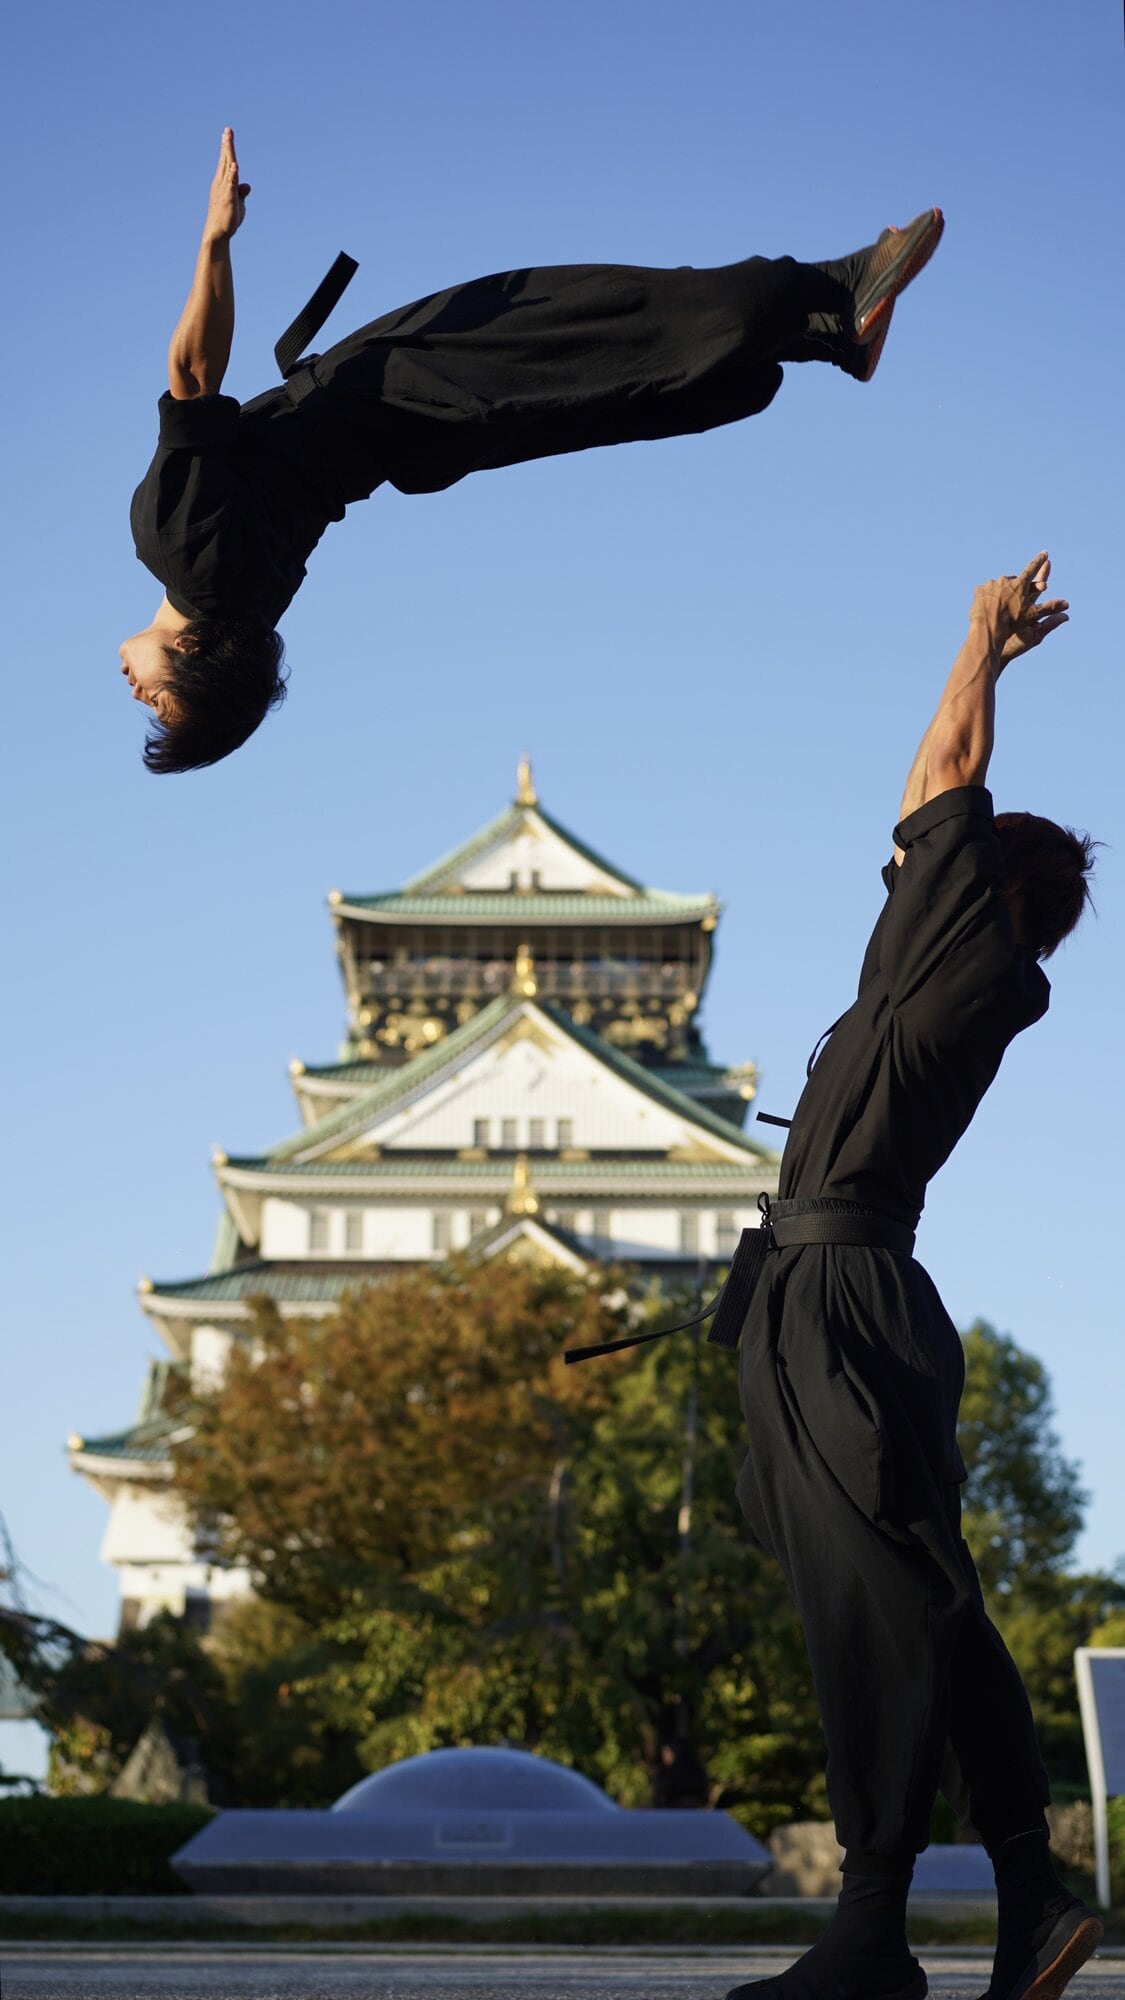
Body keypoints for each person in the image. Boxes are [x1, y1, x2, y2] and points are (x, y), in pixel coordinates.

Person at [729, 554, 1100, 2000]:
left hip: (843, 1300)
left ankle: (886, 1928)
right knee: (903, 1595)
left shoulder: (963, 946)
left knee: (895, 1602)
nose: (900, 855)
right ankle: (1021, 1893)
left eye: (932, 854)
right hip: (834, 1295)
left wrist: (979, 649)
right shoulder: (947, 970)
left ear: (977, 882)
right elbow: (930, 796)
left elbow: (941, 768)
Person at [122, 129, 944, 773]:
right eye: (163, 705)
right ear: (193, 654)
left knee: (602, 380)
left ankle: (825, 335)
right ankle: (836, 294)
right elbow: (194, 375)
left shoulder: (248, 607)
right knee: (605, 315)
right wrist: (215, 242)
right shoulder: (182, 554)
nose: (141, 696)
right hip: (401, 385)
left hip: (418, 442)